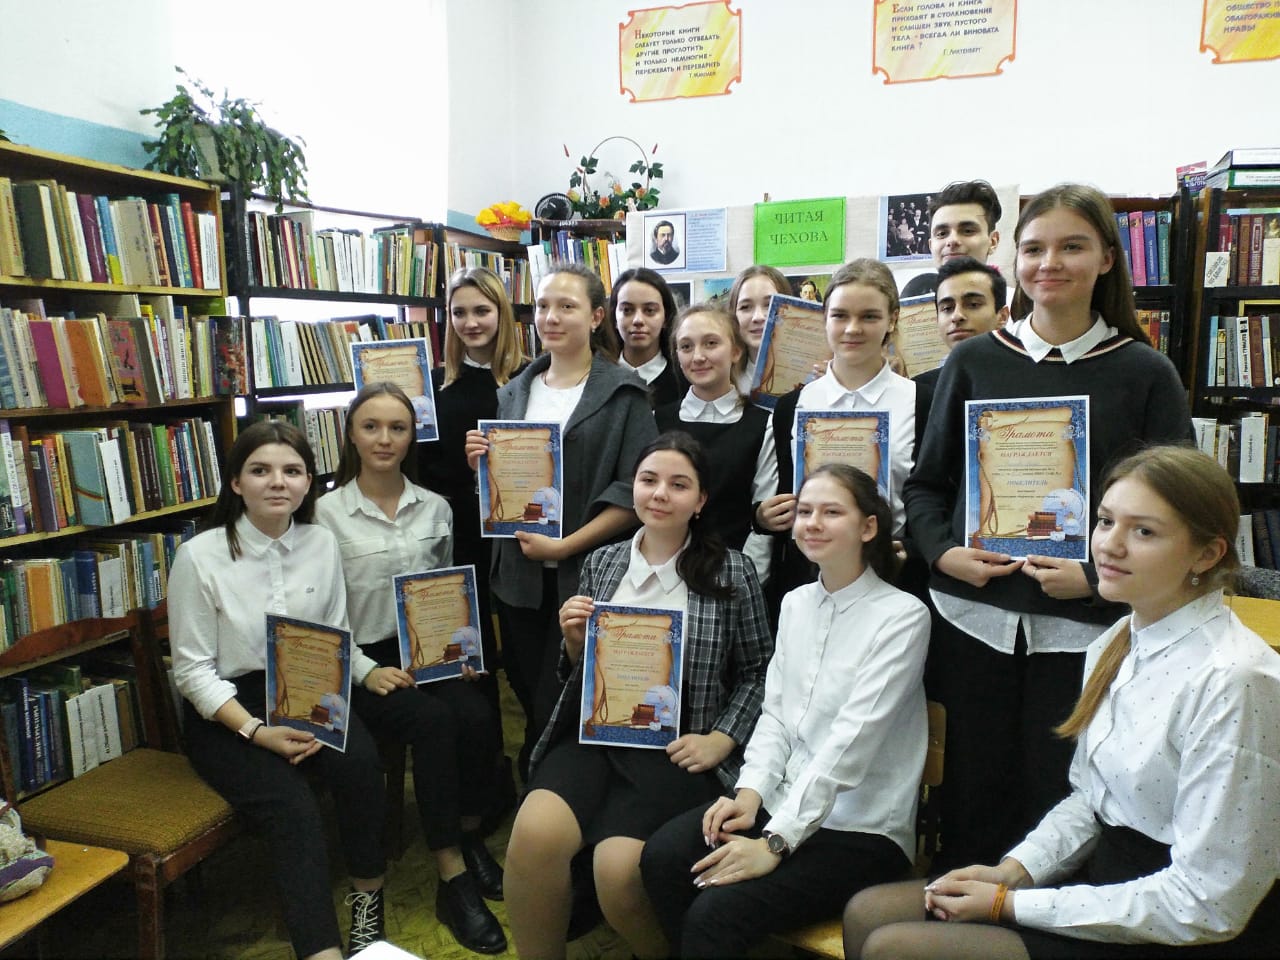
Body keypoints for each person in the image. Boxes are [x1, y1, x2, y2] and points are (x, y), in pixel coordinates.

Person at [846, 445, 1280, 960]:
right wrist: (1014, 872)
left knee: (894, 947)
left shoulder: (1235, 679)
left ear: (1206, 555)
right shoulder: (1117, 640)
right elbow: (1092, 802)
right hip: (1111, 879)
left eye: (1144, 532)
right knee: (867, 911)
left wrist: (1010, 905)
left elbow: (1209, 904)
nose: (1109, 545)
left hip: (1180, 922)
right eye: (1106, 521)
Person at [903, 183, 1195, 873]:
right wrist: (944, 555)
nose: (1050, 263)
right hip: (973, 620)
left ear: (1108, 259)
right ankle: (962, 922)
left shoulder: (1145, 373)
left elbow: (1179, 516)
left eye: (1072, 246)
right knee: (970, 798)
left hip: (1085, 631)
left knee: (1061, 800)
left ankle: (1041, 924)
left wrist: (1094, 577)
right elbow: (926, 487)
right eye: (1033, 248)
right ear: (1014, 260)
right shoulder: (973, 361)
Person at [641, 464, 931, 958]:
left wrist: (774, 842)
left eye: (831, 512)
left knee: (716, 913)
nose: (812, 523)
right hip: (784, 800)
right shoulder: (796, 603)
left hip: (861, 828)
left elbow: (849, 746)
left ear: (868, 527)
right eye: (805, 511)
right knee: (663, 858)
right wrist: (750, 793)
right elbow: (775, 714)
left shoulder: (902, 616)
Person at [503, 431, 773, 959]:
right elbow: (578, 673)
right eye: (649, 480)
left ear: (701, 500)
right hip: (598, 737)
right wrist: (574, 643)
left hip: (678, 750)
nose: (660, 494)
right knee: (533, 836)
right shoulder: (603, 562)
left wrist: (722, 738)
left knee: (617, 872)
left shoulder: (733, 571)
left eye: (679, 484)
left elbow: (760, 673)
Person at [169, 420, 387, 960]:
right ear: (236, 482)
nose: (277, 482)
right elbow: (192, 672)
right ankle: (320, 950)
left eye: (292, 471)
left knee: (361, 764)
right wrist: (256, 731)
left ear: (309, 482)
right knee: (293, 808)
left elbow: (335, 634)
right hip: (227, 709)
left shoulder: (321, 542)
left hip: (309, 688)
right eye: (260, 470)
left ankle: (368, 909)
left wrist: (324, 707)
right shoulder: (199, 555)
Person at [316, 382, 507, 955]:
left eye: (397, 428)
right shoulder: (323, 515)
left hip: (424, 652)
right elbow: (318, 614)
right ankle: (451, 872)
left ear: (412, 435)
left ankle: (467, 836)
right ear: (351, 435)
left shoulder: (436, 506)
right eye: (371, 426)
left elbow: (445, 592)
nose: (385, 439)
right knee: (433, 722)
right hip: (360, 661)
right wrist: (363, 671)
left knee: (477, 715)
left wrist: (459, 652)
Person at [465, 262, 658, 781]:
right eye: (543, 306)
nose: (551, 317)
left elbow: (635, 494)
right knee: (528, 690)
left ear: (596, 317)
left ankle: (551, 796)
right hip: (519, 578)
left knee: (567, 699)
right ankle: (539, 792)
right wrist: (481, 465)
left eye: (567, 306)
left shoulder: (625, 393)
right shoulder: (514, 391)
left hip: (586, 575)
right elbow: (502, 488)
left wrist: (564, 546)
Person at [756, 258, 927, 605]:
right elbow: (786, 496)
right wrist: (763, 517)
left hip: (895, 578)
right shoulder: (792, 407)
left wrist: (912, 548)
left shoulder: (923, 402)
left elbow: (933, 498)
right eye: (840, 315)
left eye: (869, 316)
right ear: (825, 318)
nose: (852, 329)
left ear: (892, 319)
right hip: (809, 579)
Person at [420, 266, 527, 810]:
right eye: (458, 312)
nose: (470, 322)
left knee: (527, 663)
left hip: (522, 540)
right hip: (458, 540)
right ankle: (487, 787)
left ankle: (537, 774)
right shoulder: (434, 388)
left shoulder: (531, 379)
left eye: (482, 310)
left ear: (502, 313)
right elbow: (422, 469)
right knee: (471, 667)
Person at [655, 303, 776, 582]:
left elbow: (763, 517)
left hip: (735, 572)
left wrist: (743, 579)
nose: (698, 356)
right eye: (686, 347)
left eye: (711, 343)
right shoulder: (657, 420)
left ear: (736, 351)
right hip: (665, 572)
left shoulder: (762, 424)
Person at [914, 255, 1010, 394]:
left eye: (973, 304)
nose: (957, 316)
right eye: (947, 308)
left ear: (1002, 316)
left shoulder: (1025, 379)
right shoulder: (918, 391)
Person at [901, 180, 1003, 298]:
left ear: (993, 242)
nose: (952, 240)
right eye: (942, 233)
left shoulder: (1012, 305)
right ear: (931, 246)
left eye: (968, 231)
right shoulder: (909, 301)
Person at [612, 267, 681, 408]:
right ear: (614, 318)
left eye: (649, 310)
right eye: (627, 310)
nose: (638, 320)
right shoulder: (594, 378)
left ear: (666, 318)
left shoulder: (683, 380)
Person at [727, 264, 791, 394]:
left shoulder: (814, 378)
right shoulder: (722, 381)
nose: (758, 317)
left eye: (769, 304)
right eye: (745, 307)